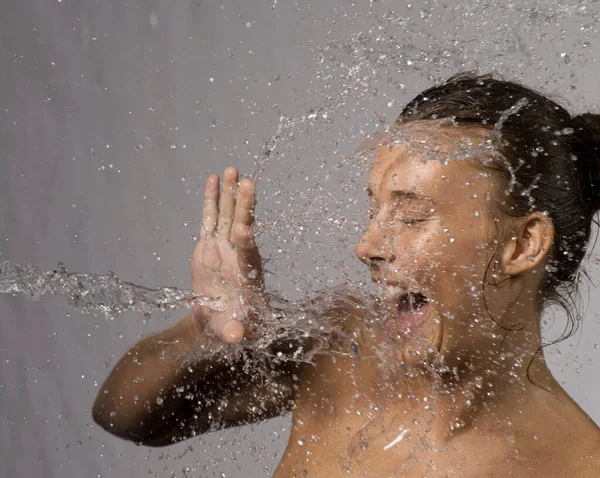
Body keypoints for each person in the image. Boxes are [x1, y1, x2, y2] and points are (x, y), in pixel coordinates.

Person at [92, 73, 600, 476]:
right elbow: (126, 416)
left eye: (412, 216)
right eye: (373, 211)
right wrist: (205, 331)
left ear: (522, 244)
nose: (368, 247)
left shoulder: (579, 464)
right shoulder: (345, 351)